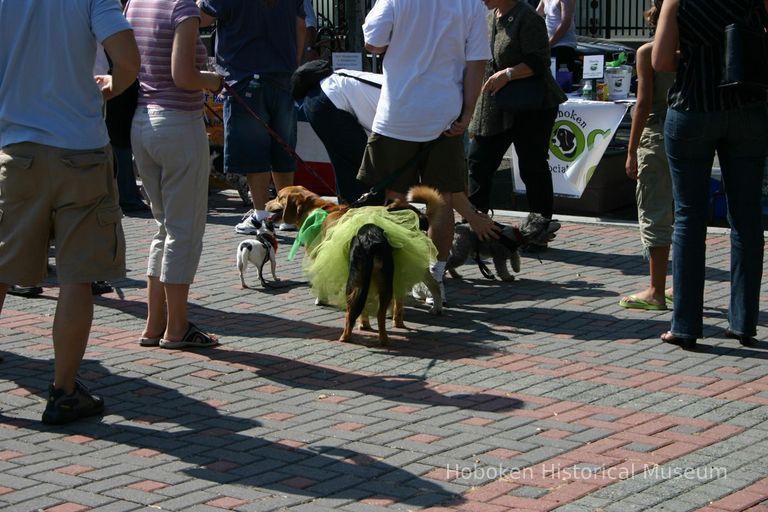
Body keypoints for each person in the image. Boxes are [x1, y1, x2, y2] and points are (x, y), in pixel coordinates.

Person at [0, 0, 139, 423]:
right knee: (77, 277)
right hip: (80, 149)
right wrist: (112, 86)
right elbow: (128, 57)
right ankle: (63, 391)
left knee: (1, 270)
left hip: (16, 150)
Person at [360, 0, 496, 305]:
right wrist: (468, 112)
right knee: (442, 199)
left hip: (399, 114)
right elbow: (477, 63)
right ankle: (434, 277)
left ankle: (397, 275)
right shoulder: (471, 4)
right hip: (445, 116)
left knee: (394, 199)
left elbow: (373, 43)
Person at [653, 0, 768, 349]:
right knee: (747, 217)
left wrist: (693, 57)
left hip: (693, 108)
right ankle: (743, 322)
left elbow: (660, 61)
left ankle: (686, 325)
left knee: (689, 217)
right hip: (747, 109)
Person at [126, 0, 223, 350]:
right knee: (184, 231)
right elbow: (184, 76)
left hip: (143, 123)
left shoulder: (136, 3)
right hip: (178, 125)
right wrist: (212, 81)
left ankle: (155, 325)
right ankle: (177, 327)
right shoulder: (181, 7)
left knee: (163, 227)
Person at [198, 0, 306, 234]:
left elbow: (201, 18)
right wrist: (292, 65)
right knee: (283, 148)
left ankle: (261, 214)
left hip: (243, 79)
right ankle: (287, 214)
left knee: (254, 152)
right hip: (283, 76)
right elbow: (301, 25)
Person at [467, 0, 566, 240]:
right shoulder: (489, 17)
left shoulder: (528, 17)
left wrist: (509, 73)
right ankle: (475, 225)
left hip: (532, 104)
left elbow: (539, 61)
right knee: (479, 160)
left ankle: (539, 228)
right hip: (495, 103)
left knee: (533, 165)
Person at [619, 0, 676, 312]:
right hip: (690, 134)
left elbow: (642, 104)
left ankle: (655, 289)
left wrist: (630, 150)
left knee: (654, 210)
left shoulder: (647, 53)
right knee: (684, 213)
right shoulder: (696, 52)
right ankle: (677, 284)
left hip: (657, 136)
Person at [300, 69, 381, 204]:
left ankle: (354, 211)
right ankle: (356, 216)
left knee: (356, 169)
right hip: (327, 98)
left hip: (327, 95)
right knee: (360, 171)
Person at [536, 0, 577, 71]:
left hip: (564, 47)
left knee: (560, 79)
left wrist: (548, 44)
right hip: (550, 46)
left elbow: (565, 23)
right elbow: (535, 17)